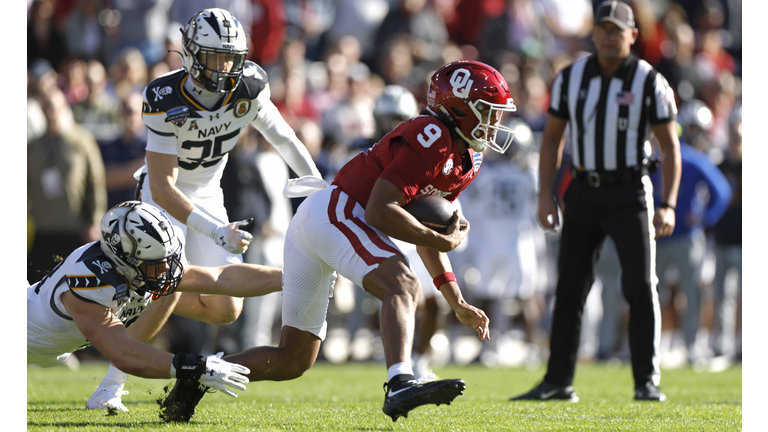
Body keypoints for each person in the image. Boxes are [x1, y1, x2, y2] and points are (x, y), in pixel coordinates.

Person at [160, 60, 518, 422]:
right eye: (487, 111)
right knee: (404, 283)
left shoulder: (467, 158)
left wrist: (455, 299)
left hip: (323, 221)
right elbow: (380, 211)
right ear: (456, 107)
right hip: (338, 211)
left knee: (293, 359)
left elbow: (428, 232)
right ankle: (400, 382)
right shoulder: (432, 135)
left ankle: (199, 373)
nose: (495, 122)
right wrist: (437, 241)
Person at [87, 8, 322, 411]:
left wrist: (318, 187)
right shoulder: (165, 96)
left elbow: (284, 139)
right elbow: (163, 187)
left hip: (209, 194)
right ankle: (111, 384)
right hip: (163, 197)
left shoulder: (248, 87)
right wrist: (215, 232)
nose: (226, 66)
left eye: (231, 57)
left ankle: (151, 298)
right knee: (166, 284)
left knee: (226, 308)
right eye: (215, 56)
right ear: (193, 55)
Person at [510, 1, 681, 403]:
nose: (608, 36)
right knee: (569, 287)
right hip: (584, 188)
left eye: (616, 30)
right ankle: (558, 381)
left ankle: (646, 381)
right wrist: (546, 194)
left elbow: (670, 147)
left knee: (640, 286)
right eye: (603, 28)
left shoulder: (648, 80)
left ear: (632, 36)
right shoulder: (571, 78)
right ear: (593, 32)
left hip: (630, 191)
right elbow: (552, 138)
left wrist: (668, 203)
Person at [28, 201, 287, 410]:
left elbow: (222, 278)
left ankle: (108, 390)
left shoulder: (142, 264)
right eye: (157, 262)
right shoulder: (89, 282)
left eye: (168, 258)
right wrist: (196, 367)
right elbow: (124, 353)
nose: (167, 268)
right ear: (124, 259)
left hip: (53, 345)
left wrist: (292, 277)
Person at [653, 103, 732, 365]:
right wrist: (704, 218)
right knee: (670, 294)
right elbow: (722, 192)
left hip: (674, 235)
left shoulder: (671, 156)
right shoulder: (683, 157)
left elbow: (721, 193)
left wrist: (704, 217)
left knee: (673, 294)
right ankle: (683, 347)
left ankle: (674, 347)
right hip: (676, 235)